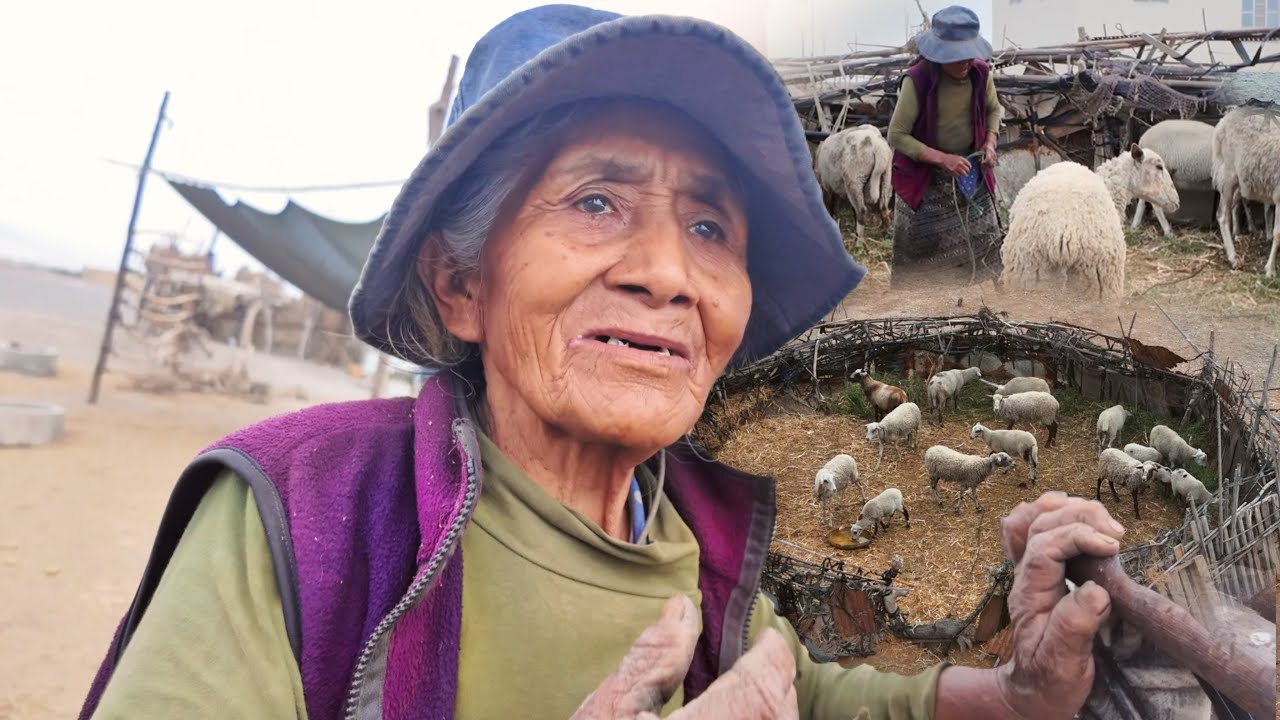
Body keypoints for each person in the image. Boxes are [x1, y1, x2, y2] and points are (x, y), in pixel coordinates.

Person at [80, 6, 1126, 720]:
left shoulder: (705, 551)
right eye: (593, 202)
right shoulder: (305, 519)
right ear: (459, 285)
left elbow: (812, 697)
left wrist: (1012, 695)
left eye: (712, 227)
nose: (669, 275)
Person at [887, 5, 1005, 291]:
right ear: (938, 54)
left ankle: (996, 295)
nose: (965, 62)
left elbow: (994, 110)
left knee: (986, 236)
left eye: (969, 54)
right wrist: (942, 159)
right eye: (957, 57)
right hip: (924, 178)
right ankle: (920, 305)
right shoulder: (918, 80)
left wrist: (990, 142)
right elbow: (897, 135)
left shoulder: (980, 74)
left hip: (969, 172)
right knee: (921, 247)